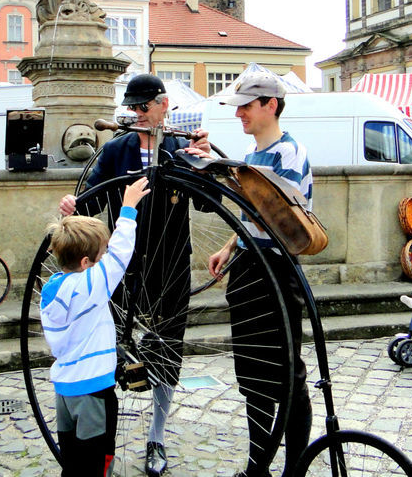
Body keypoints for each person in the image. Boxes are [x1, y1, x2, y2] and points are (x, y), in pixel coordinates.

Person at [58, 73, 210, 477]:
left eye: (145, 106)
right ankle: (102, 442)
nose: (138, 114)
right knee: (113, 349)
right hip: (121, 268)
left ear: (164, 105)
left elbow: (209, 207)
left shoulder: (180, 148)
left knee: (167, 352)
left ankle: (156, 437)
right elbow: (90, 199)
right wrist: (74, 202)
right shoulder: (116, 151)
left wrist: (205, 166)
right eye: (133, 108)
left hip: (172, 265)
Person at [206, 72, 313, 476]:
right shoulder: (252, 158)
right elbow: (250, 218)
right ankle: (258, 464)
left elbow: (275, 218)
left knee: (287, 373)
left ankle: (293, 468)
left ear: (270, 105)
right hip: (250, 268)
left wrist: (218, 170)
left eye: (246, 106)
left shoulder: (289, 154)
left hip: (277, 270)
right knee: (250, 372)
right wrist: (229, 247)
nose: (239, 114)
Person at [42, 177, 150, 477]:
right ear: (88, 262)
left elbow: (70, 248)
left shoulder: (52, 288)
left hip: (66, 390)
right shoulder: (91, 286)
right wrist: (128, 209)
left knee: (73, 461)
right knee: (94, 462)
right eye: (100, 255)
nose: (105, 258)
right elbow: (120, 253)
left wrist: (68, 223)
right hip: (93, 390)